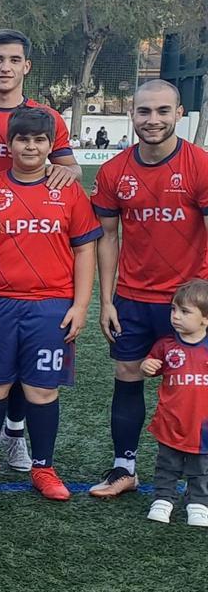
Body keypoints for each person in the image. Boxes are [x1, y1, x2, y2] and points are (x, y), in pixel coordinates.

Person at [0, 107, 102, 501]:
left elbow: (85, 250)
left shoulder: (67, 190)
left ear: (50, 145)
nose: (31, 146)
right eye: (23, 139)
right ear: (10, 145)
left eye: (39, 140)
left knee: (41, 390)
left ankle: (43, 467)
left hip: (50, 306)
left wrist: (81, 305)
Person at [0, 29, 82, 469]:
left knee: (30, 360)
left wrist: (57, 171)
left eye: (14, 59)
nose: (5, 67)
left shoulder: (45, 116)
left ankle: (16, 434)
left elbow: (70, 170)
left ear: (26, 66)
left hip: (32, 235)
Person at [88, 80, 208, 498]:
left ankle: (199, 473)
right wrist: (105, 300)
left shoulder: (200, 165)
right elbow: (108, 236)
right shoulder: (113, 172)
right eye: (144, 112)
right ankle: (125, 468)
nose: (152, 120)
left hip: (190, 302)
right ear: (132, 115)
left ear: (179, 114)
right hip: (134, 299)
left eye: (162, 111)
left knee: (199, 382)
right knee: (128, 374)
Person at [140, 279, 208, 527]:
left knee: (201, 466)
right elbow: (149, 367)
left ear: (205, 319)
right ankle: (163, 499)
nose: (176, 316)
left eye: (185, 311)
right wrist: (146, 367)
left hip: (203, 426)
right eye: (173, 310)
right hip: (171, 421)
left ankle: (199, 503)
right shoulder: (165, 346)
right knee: (167, 463)